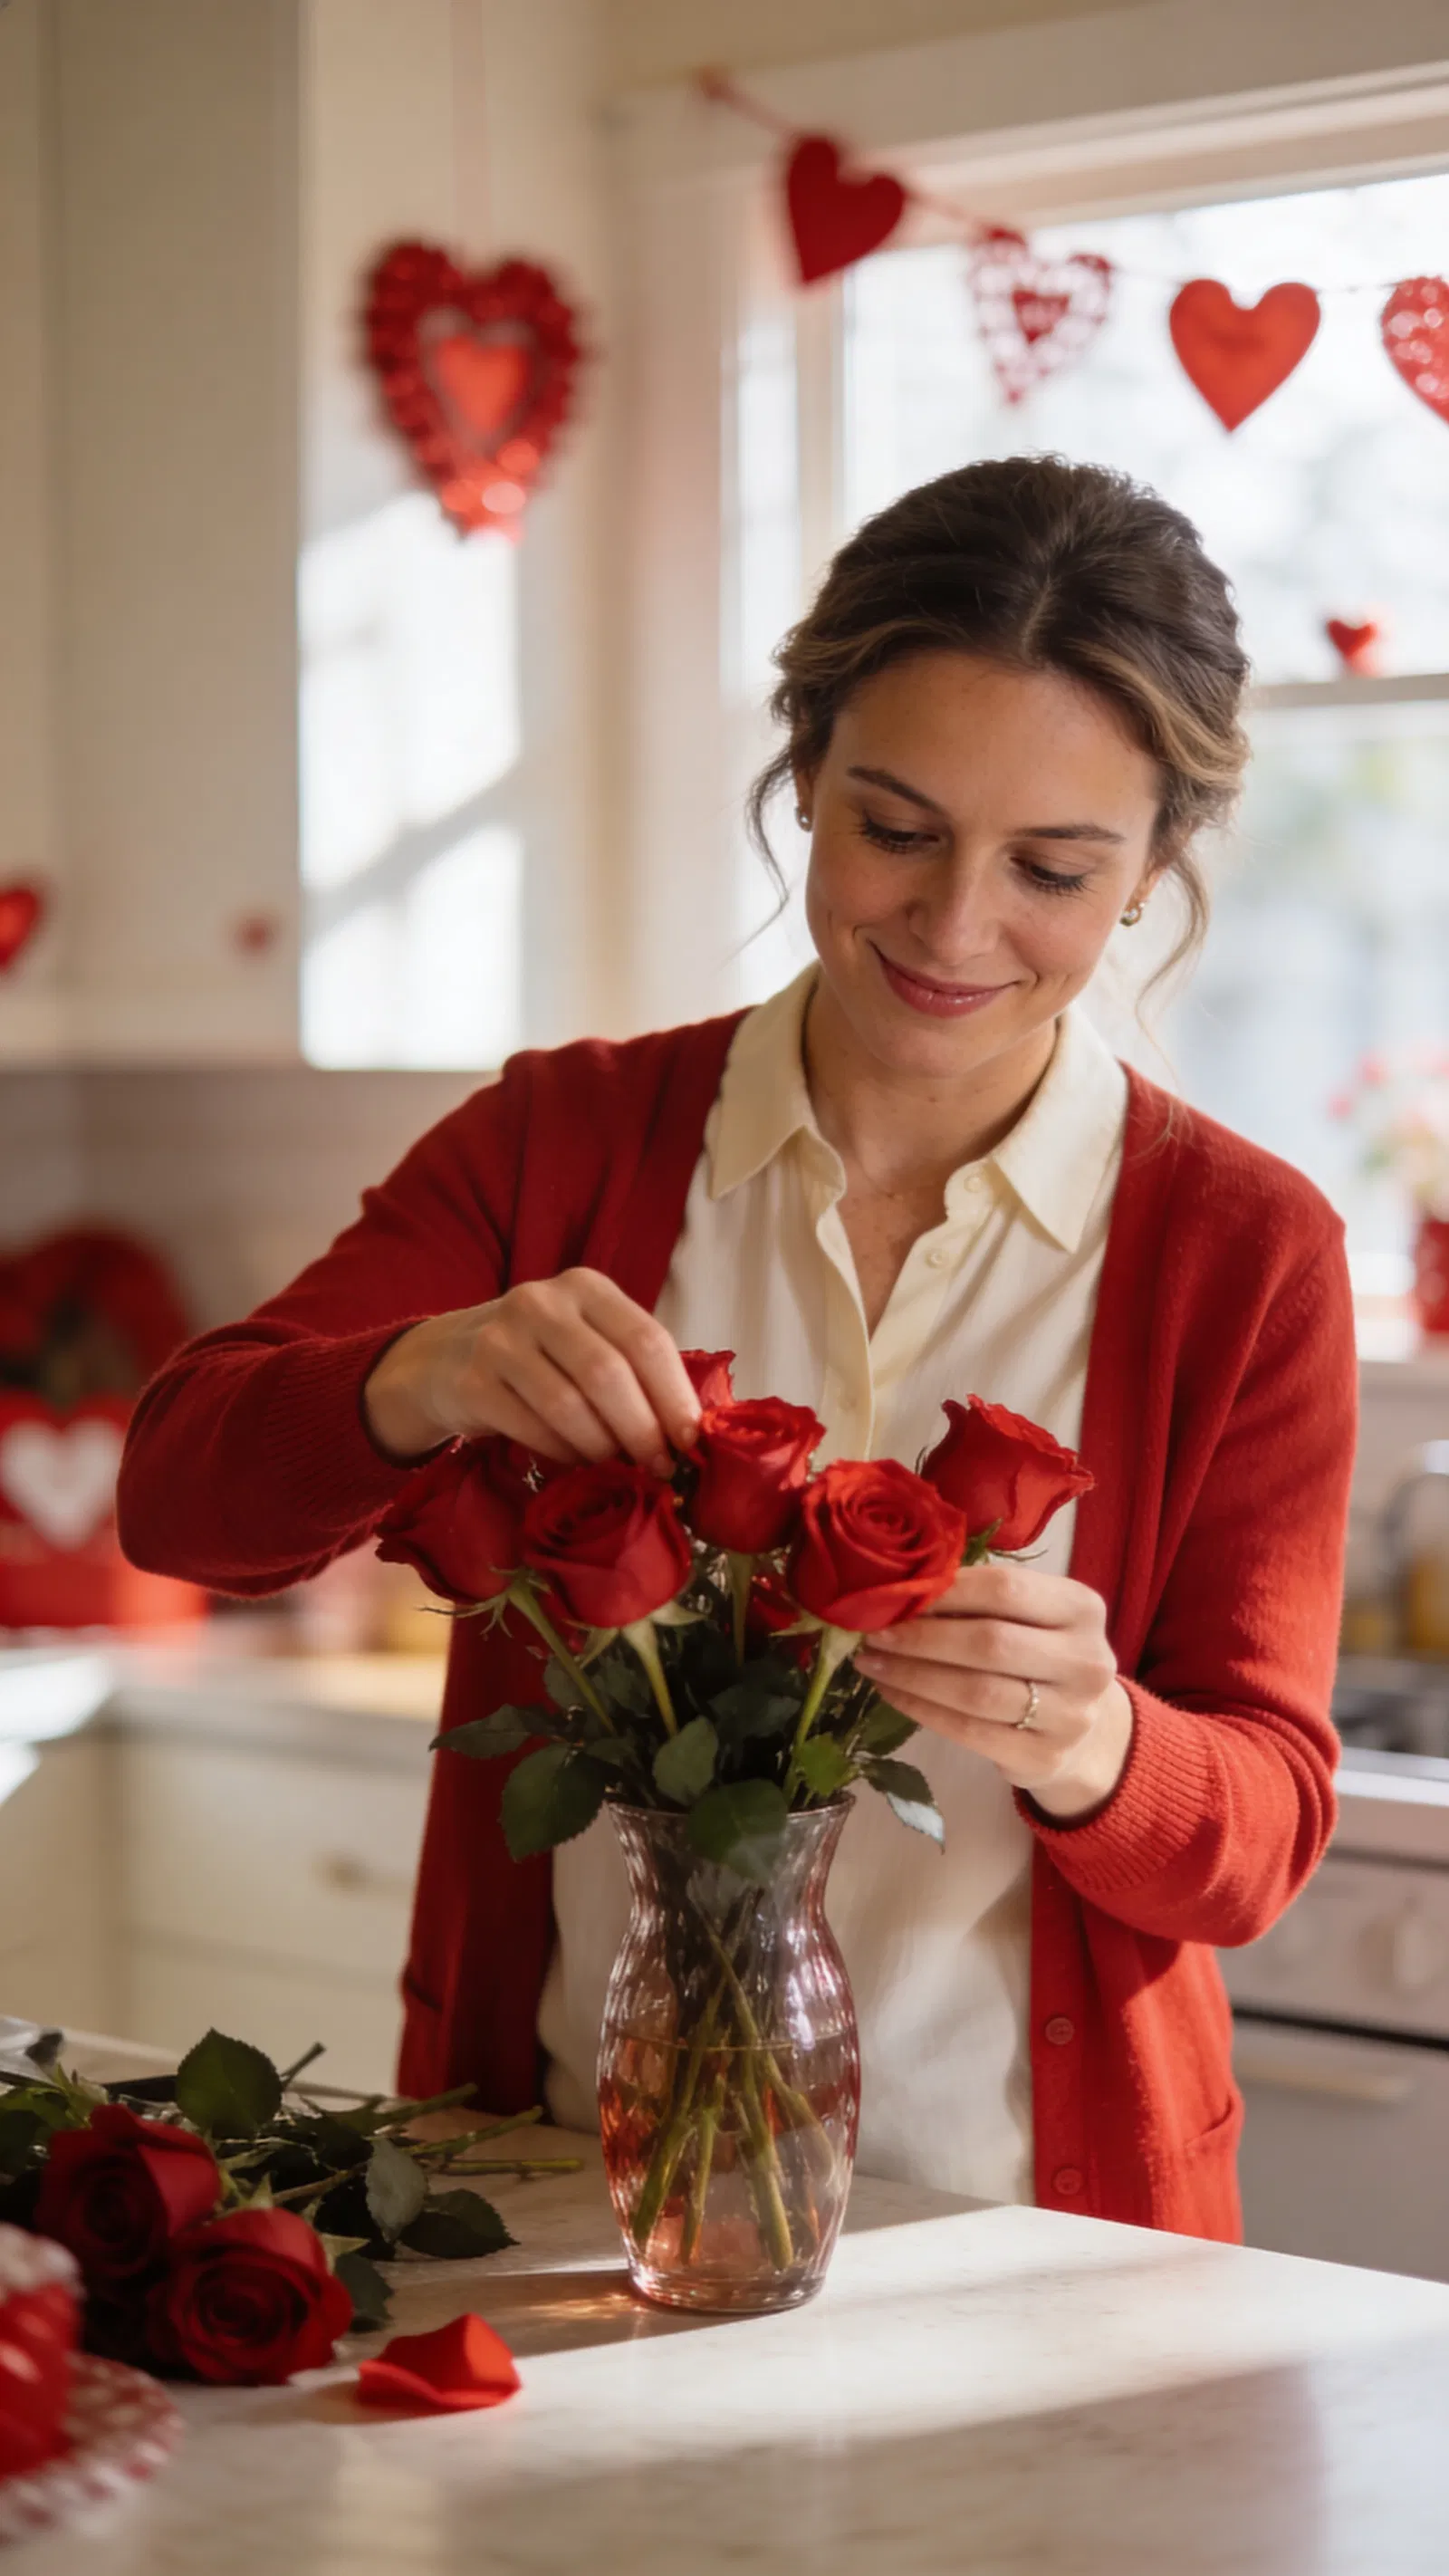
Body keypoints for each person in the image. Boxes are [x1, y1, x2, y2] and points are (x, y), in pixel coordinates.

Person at [119, 456, 1356, 2240]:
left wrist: (1092, 1738)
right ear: (800, 773)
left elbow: (1254, 1836)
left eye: (1051, 867)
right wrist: (419, 1376)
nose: (948, 928)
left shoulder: (1242, 1257)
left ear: (1154, 867)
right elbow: (175, 1494)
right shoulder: (562, 1146)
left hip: (1035, 2254)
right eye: (894, 827)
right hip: (553, 2205)